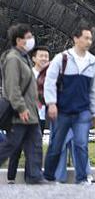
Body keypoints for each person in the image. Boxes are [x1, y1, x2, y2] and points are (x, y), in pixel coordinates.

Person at [43, 25, 95, 184]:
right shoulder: (62, 58)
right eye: (86, 38)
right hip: (63, 110)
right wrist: (51, 103)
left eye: (90, 38)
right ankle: (49, 175)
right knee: (57, 144)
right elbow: (49, 81)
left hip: (82, 111)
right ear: (76, 38)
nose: (89, 41)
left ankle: (82, 178)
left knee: (81, 144)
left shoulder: (93, 62)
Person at [0, 24, 44, 184]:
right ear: (19, 40)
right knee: (10, 145)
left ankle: (34, 176)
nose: (32, 40)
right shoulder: (13, 59)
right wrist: (21, 108)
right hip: (20, 113)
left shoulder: (23, 58)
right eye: (29, 37)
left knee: (35, 144)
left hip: (30, 112)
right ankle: (34, 176)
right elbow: (12, 87)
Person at [6, 44, 48, 184]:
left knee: (34, 148)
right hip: (22, 115)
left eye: (47, 56)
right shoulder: (27, 72)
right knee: (16, 147)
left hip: (40, 117)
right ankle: (11, 177)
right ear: (34, 58)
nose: (44, 58)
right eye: (41, 55)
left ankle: (31, 177)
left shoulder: (50, 75)